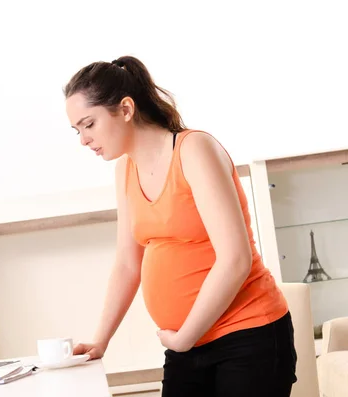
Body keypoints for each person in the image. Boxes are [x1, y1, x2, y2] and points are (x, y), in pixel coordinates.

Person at [63, 56, 298, 397]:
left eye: (89, 124)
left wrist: (185, 336)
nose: (83, 140)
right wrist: (101, 339)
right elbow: (129, 264)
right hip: (187, 345)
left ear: (125, 109)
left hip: (248, 335)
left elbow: (235, 259)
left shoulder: (193, 150)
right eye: (77, 130)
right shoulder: (125, 171)